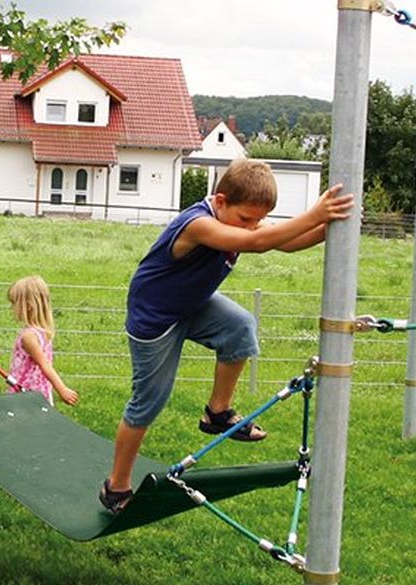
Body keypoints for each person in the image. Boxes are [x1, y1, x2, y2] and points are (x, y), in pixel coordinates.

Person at [99, 158, 354, 513]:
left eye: (256, 220)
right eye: (245, 219)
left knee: (240, 327)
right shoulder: (198, 224)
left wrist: (331, 227)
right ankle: (116, 486)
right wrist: (313, 214)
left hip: (193, 304)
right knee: (148, 402)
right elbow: (260, 242)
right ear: (220, 200)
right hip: (155, 319)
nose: (251, 226)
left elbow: (286, 242)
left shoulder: (235, 217)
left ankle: (217, 413)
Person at [7, 275, 79, 407]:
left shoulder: (29, 336)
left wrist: (62, 389)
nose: (11, 308)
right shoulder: (43, 332)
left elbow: (44, 364)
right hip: (39, 392)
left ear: (28, 305)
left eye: (14, 303)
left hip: (26, 394)